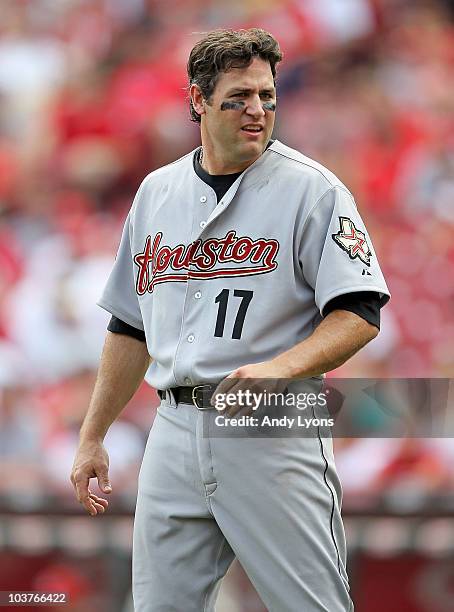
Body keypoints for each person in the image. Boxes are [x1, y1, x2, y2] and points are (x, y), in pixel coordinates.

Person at [70, 28, 390, 612]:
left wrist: (281, 369)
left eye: (267, 95)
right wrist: (93, 434)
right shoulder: (156, 192)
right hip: (173, 425)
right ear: (198, 100)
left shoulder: (311, 190)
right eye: (239, 96)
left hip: (268, 421)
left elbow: (360, 312)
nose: (257, 110)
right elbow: (129, 327)